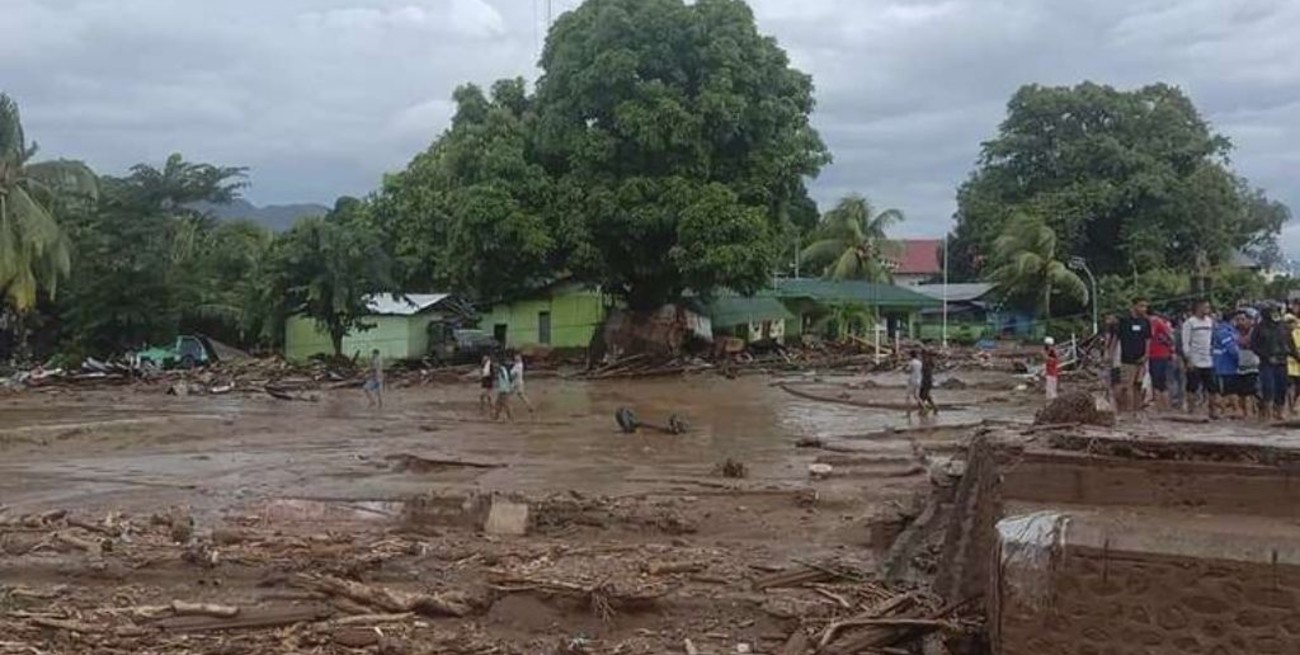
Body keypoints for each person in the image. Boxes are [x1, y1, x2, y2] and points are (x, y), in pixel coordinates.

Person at [1250, 303, 1299, 422]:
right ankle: (1268, 413)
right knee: (1268, 388)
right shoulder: (1259, 328)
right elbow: (1254, 346)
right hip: (1267, 363)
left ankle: (1280, 412)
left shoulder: (1284, 327)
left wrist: (1297, 357)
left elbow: (1290, 345)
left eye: (1277, 311)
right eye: (1272, 312)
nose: (1275, 314)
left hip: (1282, 362)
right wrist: (1265, 356)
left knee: (1281, 388)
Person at [1114, 299, 1152, 414]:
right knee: (1127, 385)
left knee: (1138, 385)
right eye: (1141, 306)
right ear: (1134, 306)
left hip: (1141, 358)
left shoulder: (1145, 322)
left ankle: (1137, 409)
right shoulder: (1124, 321)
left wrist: (1146, 354)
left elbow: (1148, 339)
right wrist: (1110, 353)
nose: (1144, 309)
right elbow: (1116, 338)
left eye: (1145, 306)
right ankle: (1128, 410)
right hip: (1127, 358)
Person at [1181, 300, 1216, 415]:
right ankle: (1192, 409)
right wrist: (1188, 359)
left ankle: (1212, 410)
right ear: (1198, 307)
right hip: (1194, 360)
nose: (1208, 309)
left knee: (1212, 387)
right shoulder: (1190, 323)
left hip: (1207, 359)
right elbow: (1185, 343)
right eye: (1205, 307)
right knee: (1192, 386)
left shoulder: (1209, 322)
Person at [1211, 311, 1240, 420]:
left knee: (1229, 391)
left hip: (1226, 366)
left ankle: (1228, 411)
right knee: (1227, 391)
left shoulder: (1226, 330)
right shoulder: (1224, 331)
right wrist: (1240, 360)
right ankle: (1224, 412)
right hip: (1224, 366)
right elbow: (1232, 349)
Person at [1234, 311, 1260, 419]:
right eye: (1238, 320)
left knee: (1251, 391)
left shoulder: (1254, 332)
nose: (1240, 322)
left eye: (1243, 319)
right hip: (1240, 366)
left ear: (1249, 320)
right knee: (1241, 393)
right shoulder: (1235, 332)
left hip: (1253, 366)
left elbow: (1245, 342)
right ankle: (1245, 412)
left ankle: (1251, 412)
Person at [1147, 311, 1175, 411]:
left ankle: (1161, 407)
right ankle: (1163, 407)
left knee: (1158, 382)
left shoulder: (1154, 321)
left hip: (1157, 355)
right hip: (1159, 355)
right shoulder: (1161, 323)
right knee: (1160, 382)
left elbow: (1151, 334)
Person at [492, 357, 514, 422]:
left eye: (494, 364)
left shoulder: (501, 370)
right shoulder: (503, 369)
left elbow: (504, 380)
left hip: (504, 390)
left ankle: (511, 417)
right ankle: (496, 417)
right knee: (499, 404)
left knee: (505, 404)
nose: (494, 366)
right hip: (503, 389)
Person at [919, 350, 938, 416]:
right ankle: (934, 407)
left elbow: (925, 373)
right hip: (926, 381)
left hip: (926, 381)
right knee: (925, 396)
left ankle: (923, 410)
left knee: (923, 396)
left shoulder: (926, 362)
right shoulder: (928, 362)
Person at [905, 350, 924, 418]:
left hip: (912, 380)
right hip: (919, 380)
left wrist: (905, 367)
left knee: (908, 397)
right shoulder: (920, 362)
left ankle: (908, 413)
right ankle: (924, 408)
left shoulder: (911, 363)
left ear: (910, 355)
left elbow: (908, 370)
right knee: (917, 396)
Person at [1288, 314, 1300, 415]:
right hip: (1288, 365)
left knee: (1297, 388)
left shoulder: (1297, 332)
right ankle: (1291, 407)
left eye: (1292, 322)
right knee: (1291, 387)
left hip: (1297, 366)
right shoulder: (1285, 334)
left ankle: (1294, 406)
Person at [1043, 336, 1060, 401]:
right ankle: (1051, 397)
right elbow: (1046, 358)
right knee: (1050, 385)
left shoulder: (1053, 353)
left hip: (1053, 372)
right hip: (1050, 372)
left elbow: (1053, 359)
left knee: (1052, 385)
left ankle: (1052, 397)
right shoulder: (1049, 353)